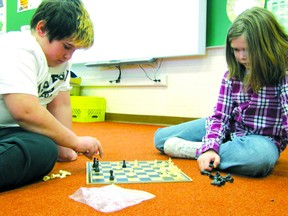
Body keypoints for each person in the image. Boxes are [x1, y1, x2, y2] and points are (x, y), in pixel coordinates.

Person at [154, 7, 288, 177]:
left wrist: (209, 148)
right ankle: (212, 149)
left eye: (247, 49)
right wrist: (211, 145)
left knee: (258, 159)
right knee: (160, 139)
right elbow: (220, 116)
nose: (241, 57)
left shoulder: (283, 73)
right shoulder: (232, 75)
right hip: (231, 131)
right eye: (236, 50)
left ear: (266, 45)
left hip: (263, 141)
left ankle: (197, 150)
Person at [0, 0, 104, 191]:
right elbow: (25, 111)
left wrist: (66, 147)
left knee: (43, 148)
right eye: (67, 46)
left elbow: (60, 103)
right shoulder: (18, 48)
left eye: (74, 50)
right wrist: (76, 142)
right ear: (42, 29)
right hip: (9, 126)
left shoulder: (60, 60)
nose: (69, 56)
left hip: (12, 131)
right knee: (44, 150)